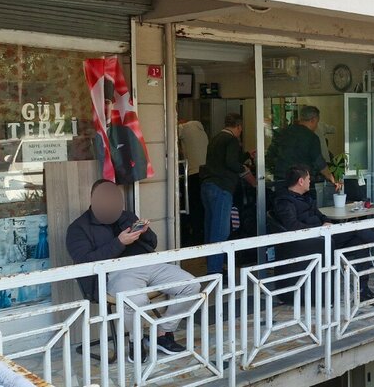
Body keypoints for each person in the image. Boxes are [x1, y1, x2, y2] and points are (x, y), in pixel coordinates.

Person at [66, 179, 199, 361]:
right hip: (116, 274)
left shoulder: (126, 216)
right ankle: (135, 342)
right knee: (137, 300)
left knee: (191, 286)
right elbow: (84, 262)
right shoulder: (78, 228)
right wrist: (119, 242)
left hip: (148, 264)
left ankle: (162, 333)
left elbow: (152, 243)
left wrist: (145, 232)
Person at [273, 166, 374, 302]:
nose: (310, 181)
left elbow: (321, 216)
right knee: (356, 229)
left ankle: (362, 289)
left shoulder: (307, 198)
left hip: (324, 236)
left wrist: (327, 222)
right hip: (310, 241)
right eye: (308, 179)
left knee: (360, 242)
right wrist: (319, 228)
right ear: (301, 181)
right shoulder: (284, 201)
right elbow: (292, 226)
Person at [199, 113, 256, 276]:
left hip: (207, 185)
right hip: (222, 187)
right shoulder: (232, 140)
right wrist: (244, 169)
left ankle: (212, 264)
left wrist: (246, 155)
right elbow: (231, 162)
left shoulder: (216, 139)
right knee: (220, 231)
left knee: (210, 227)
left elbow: (224, 160)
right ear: (238, 126)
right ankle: (215, 271)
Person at [268, 106, 343, 201]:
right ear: (313, 120)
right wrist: (332, 179)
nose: (316, 126)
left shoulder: (283, 133)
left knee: (283, 206)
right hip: (301, 182)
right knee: (304, 207)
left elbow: (270, 155)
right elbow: (319, 163)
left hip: (281, 179)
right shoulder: (312, 138)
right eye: (317, 122)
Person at [177, 119, 209, 247]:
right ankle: (201, 235)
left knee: (193, 207)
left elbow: (169, 134)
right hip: (205, 172)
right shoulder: (201, 130)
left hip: (192, 173)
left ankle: (194, 237)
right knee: (202, 207)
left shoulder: (184, 128)